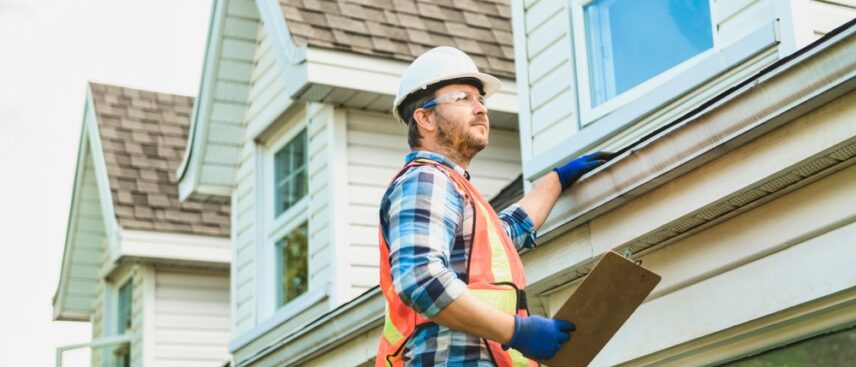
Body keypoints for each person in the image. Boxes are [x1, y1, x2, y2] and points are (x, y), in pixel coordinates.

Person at [376, 46, 614, 367]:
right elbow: (421, 279)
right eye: (463, 98)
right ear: (425, 118)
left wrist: (557, 180)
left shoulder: (455, 188)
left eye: (481, 99)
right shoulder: (426, 179)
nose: (481, 108)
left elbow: (507, 232)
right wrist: (518, 331)